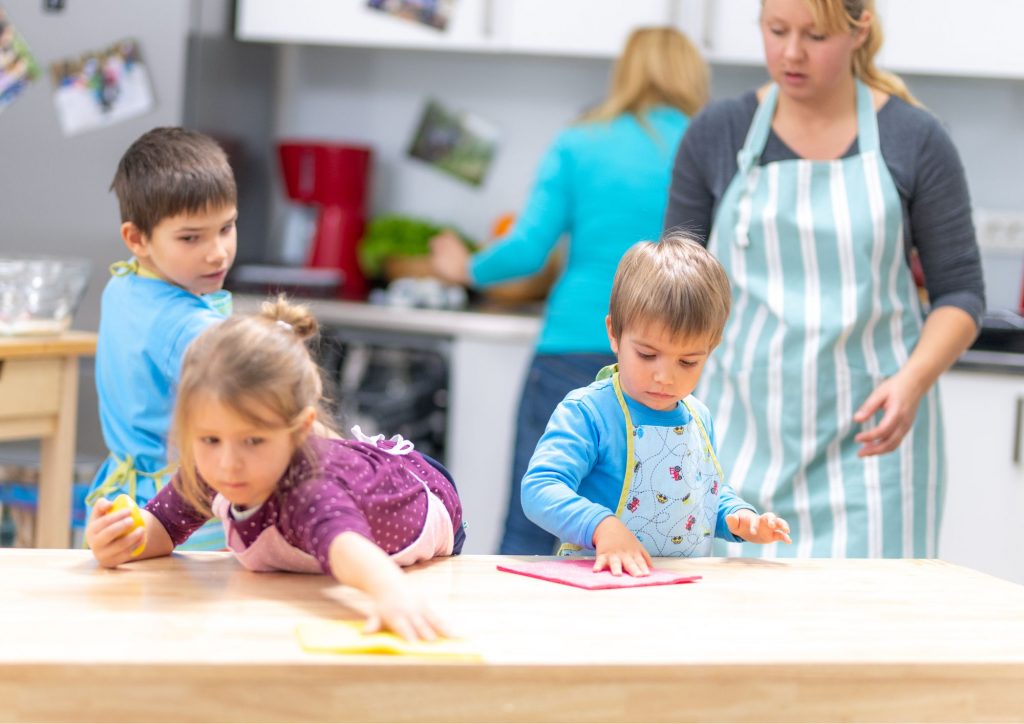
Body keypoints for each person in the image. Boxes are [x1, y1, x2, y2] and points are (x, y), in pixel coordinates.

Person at [663, 0, 985, 559]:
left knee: (866, 636)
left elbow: (961, 293)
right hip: (734, 441)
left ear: (860, 29)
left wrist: (911, 382)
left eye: (815, 35)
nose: (791, 53)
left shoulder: (916, 139)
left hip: (872, 452)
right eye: (776, 30)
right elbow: (677, 286)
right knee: (734, 632)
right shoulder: (718, 133)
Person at [430, 27, 711, 554]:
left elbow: (527, 248)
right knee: (653, 515)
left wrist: (465, 268)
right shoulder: (704, 147)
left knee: (538, 517)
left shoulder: (581, 141)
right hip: (670, 355)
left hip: (570, 346)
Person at [86, 298, 465, 641]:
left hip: (421, 494)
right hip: (352, 475)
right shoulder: (212, 464)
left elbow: (349, 548)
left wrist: (392, 595)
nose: (228, 463)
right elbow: (163, 527)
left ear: (299, 431)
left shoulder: (309, 490)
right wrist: (124, 539)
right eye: (209, 440)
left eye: (253, 441)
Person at [521, 235, 791, 576]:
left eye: (688, 361)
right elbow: (539, 488)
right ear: (614, 334)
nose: (665, 377)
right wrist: (602, 526)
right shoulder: (588, 413)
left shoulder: (698, 416)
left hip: (680, 588)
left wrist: (739, 518)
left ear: (712, 348)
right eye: (647, 355)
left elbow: (699, 493)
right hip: (604, 587)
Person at [84, 127, 239, 550]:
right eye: (191, 237)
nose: (217, 252)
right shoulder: (186, 327)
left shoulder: (124, 284)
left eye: (226, 228)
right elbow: (252, 390)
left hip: (121, 498)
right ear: (137, 239)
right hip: (187, 517)